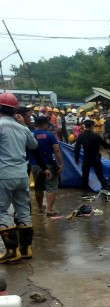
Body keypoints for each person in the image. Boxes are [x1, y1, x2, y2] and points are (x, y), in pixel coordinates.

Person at [0, 93, 39, 262]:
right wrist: (24, 124)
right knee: (23, 210)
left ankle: (11, 251)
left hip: (4, 174)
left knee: (1, 211)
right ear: (15, 110)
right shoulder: (22, 127)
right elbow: (34, 145)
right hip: (22, 175)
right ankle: (25, 250)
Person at [74, 119, 110, 196]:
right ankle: (106, 190)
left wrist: (76, 158)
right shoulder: (96, 136)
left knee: (85, 175)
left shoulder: (81, 136)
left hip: (86, 158)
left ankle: (84, 192)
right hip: (95, 158)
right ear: (92, 126)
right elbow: (105, 146)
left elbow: (76, 148)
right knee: (100, 175)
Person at [30, 116, 63, 217]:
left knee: (38, 187)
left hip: (35, 165)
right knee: (51, 186)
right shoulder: (50, 135)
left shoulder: (31, 135)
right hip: (49, 164)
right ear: (44, 124)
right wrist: (61, 163)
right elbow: (56, 150)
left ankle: (40, 207)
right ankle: (49, 209)